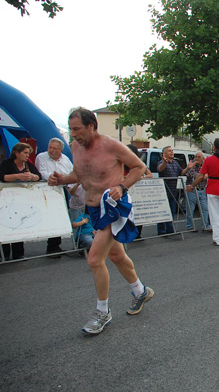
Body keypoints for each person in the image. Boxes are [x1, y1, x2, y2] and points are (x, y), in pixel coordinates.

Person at [48, 107, 153, 334]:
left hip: (113, 209)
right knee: (116, 255)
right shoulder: (76, 147)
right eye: (71, 129)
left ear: (92, 126)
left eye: (77, 129)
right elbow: (82, 173)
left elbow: (140, 167)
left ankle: (102, 312)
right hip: (94, 209)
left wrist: (121, 186)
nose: (73, 134)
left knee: (95, 260)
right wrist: (62, 180)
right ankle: (139, 291)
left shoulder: (111, 146)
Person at [0, 142, 42, 260]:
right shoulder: (6, 163)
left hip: (21, 199)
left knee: (19, 223)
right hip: (6, 199)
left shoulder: (28, 165)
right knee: (6, 224)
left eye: (28, 153)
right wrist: (18, 176)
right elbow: (2, 176)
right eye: (25, 153)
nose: (27, 155)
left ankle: (19, 253)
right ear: (16, 153)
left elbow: (39, 176)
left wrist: (32, 177)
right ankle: (5, 254)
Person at [192, 138, 219, 246]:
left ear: (214, 147)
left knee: (214, 215)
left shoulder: (208, 160)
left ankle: (217, 239)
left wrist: (192, 185)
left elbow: (201, 175)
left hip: (212, 188)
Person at [125, 144, 152, 239]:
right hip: (127, 190)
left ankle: (137, 233)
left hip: (138, 191)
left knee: (138, 211)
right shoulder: (122, 163)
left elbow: (150, 175)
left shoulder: (140, 164)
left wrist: (141, 177)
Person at [157, 146, 183, 235]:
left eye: (172, 150)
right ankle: (162, 230)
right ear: (164, 154)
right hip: (164, 192)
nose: (172, 152)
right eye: (169, 151)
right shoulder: (162, 162)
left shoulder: (175, 163)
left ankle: (170, 229)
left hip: (173, 191)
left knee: (172, 211)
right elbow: (160, 169)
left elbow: (181, 172)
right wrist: (165, 162)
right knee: (163, 211)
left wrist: (188, 168)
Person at [183, 152, 210, 231]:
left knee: (205, 209)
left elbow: (205, 176)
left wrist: (204, 175)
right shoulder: (191, 166)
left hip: (202, 189)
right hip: (192, 190)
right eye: (195, 156)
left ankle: (205, 226)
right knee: (190, 209)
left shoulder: (205, 167)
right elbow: (193, 175)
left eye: (199, 157)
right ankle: (190, 226)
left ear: (203, 159)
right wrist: (188, 168)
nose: (196, 158)